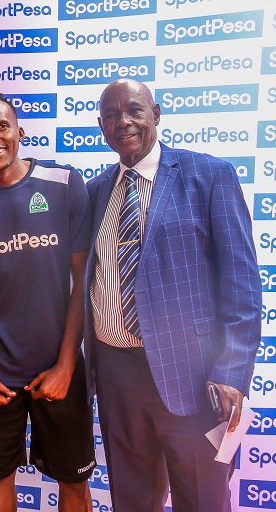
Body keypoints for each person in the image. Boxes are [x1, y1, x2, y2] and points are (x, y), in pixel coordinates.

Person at [84, 78, 260, 512]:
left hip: (196, 378)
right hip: (117, 378)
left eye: (134, 111)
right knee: (133, 500)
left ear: (156, 114)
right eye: (111, 114)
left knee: (202, 498)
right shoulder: (94, 192)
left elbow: (242, 284)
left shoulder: (208, 175)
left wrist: (232, 371)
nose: (122, 121)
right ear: (100, 125)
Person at [0, 86, 95, 512]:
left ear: (20, 131)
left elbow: (83, 281)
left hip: (61, 370)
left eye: (1, 126)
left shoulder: (64, 183)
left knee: (74, 485)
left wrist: (66, 364)